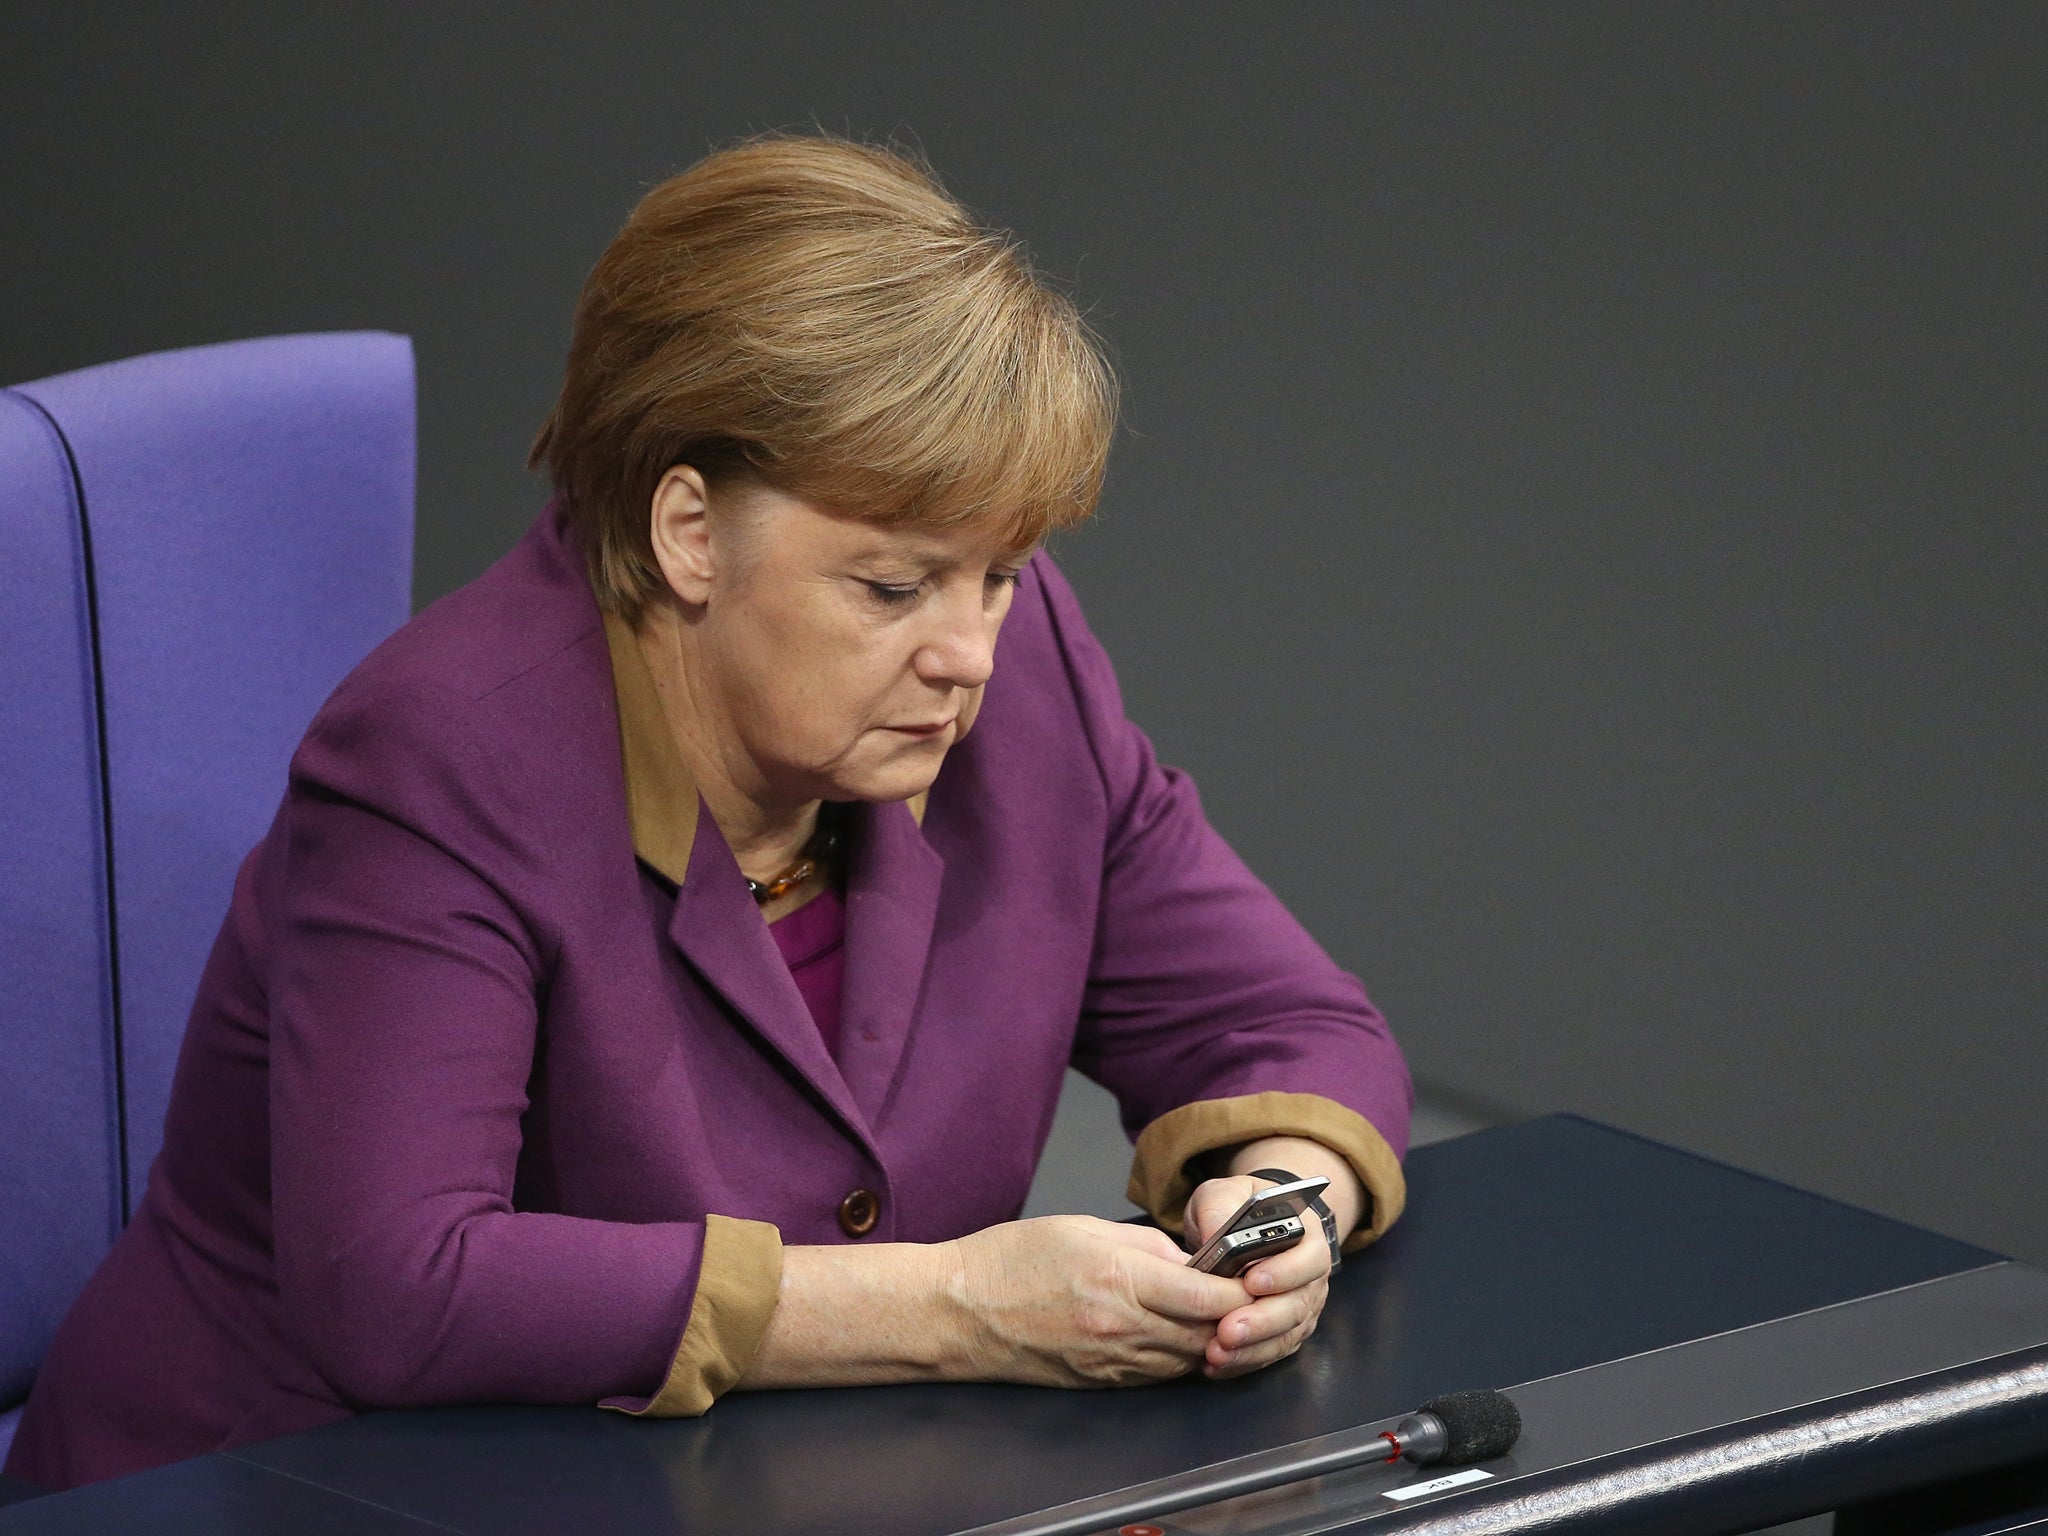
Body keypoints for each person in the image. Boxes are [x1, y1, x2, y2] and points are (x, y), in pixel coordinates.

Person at [5, 134, 1412, 1491]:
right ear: (688, 530)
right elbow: (402, 1283)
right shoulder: (439, 759)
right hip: (294, 1481)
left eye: (1001, 572)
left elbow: (1286, 1025)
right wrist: (953, 1302)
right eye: (892, 585)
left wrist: (1280, 1208)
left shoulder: (1013, 666)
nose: (970, 650)